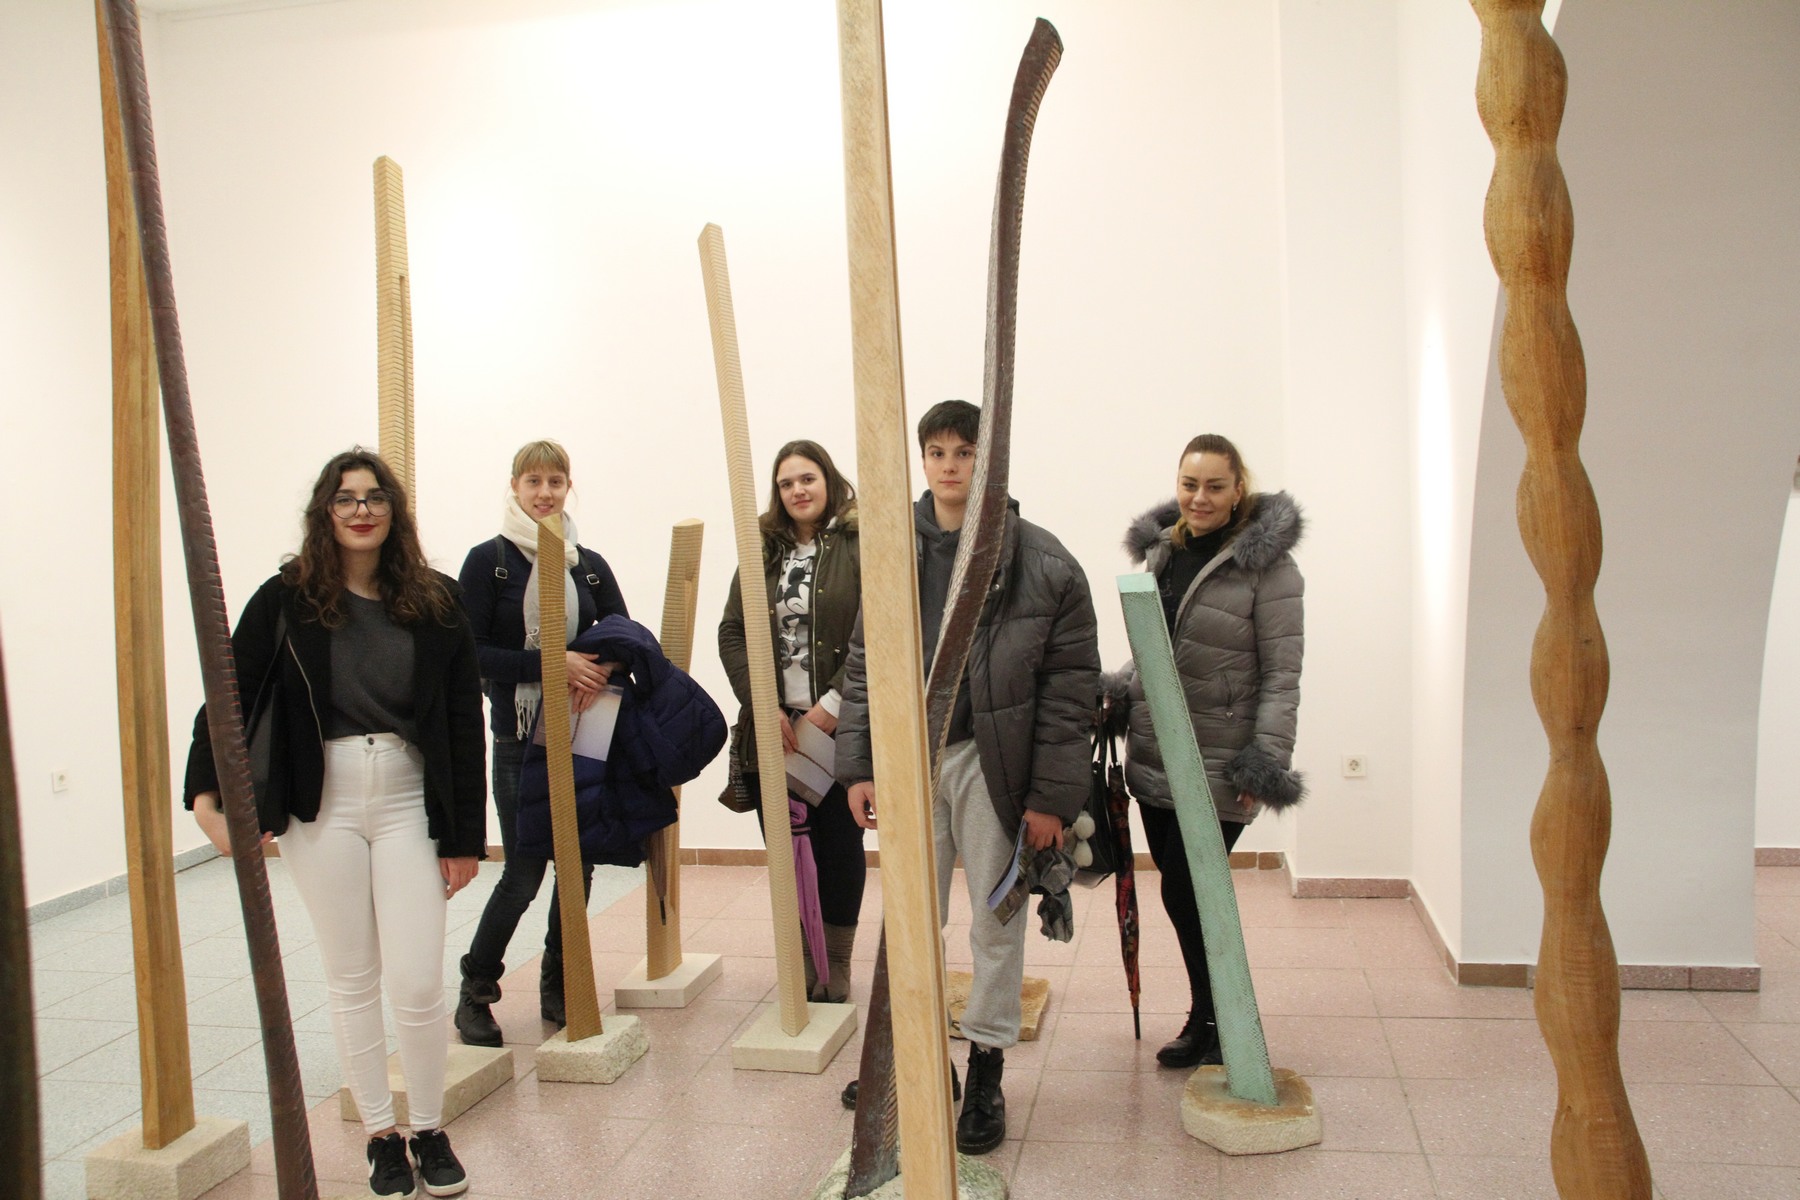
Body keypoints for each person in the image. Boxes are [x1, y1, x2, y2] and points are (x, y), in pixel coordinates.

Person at [184, 448, 483, 1199]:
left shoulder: (437, 600)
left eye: (375, 497)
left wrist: (464, 838)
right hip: (322, 803)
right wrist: (203, 793)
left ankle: (429, 1128)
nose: (361, 510)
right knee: (352, 977)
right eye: (345, 498)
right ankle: (382, 1137)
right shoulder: (286, 598)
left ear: (394, 511)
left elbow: (461, 720)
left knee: (418, 980)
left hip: (409, 796)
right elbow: (229, 692)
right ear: (325, 512)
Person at [836, 400, 1100, 1155]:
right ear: (921, 460)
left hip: (995, 765)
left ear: (991, 459)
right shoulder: (892, 550)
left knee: (995, 920)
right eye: (938, 452)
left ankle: (985, 1066)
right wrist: (860, 765)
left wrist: (1051, 799)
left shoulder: (1045, 563)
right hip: (912, 760)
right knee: (913, 917)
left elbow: (1069, 691)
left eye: (966, 452)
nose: (950, 466)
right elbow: (864, 664)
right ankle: (918, 1056)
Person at [1108, 433, 1305, 1068]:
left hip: (1221, 758)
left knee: (1194, 889)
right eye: (1190, 484)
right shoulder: (1163, 553)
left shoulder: (1271, 570)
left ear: (1238, 489)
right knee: (1179, 889)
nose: (1200, 498)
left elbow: (1282, 675)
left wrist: (1266, 758)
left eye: (1215, 486)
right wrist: (1115, 691)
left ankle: (1217, 1019)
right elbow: (1156, 649)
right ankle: (1213, 1014)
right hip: (1156, 750)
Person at [453, 440, 628, 1045]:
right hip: (518, 737)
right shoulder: (489, 562)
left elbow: (624, 636)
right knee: (524, 872)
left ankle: (561, 982)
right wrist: (552, 663)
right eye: (534, 481)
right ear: (515, 486)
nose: (545, 493)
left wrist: (600, 666)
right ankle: (476, 989)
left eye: (556, 481)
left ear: (568, 487)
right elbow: (470, 653)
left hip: (583, 733)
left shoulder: (588, 564)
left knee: (578, 866)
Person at [718, 440, 865, 1002]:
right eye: (786, 483)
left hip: (841, 725)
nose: (798, 490)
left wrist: (835, 702)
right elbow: (732, 631)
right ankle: (805, 958)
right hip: (774, 727)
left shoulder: (858, 543)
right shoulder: (760, 550)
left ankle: (838, 961)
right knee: (787, 847)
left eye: (807, 478)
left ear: (828, 480)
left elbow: (877, 627)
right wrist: (762, 702)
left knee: (839, 848)